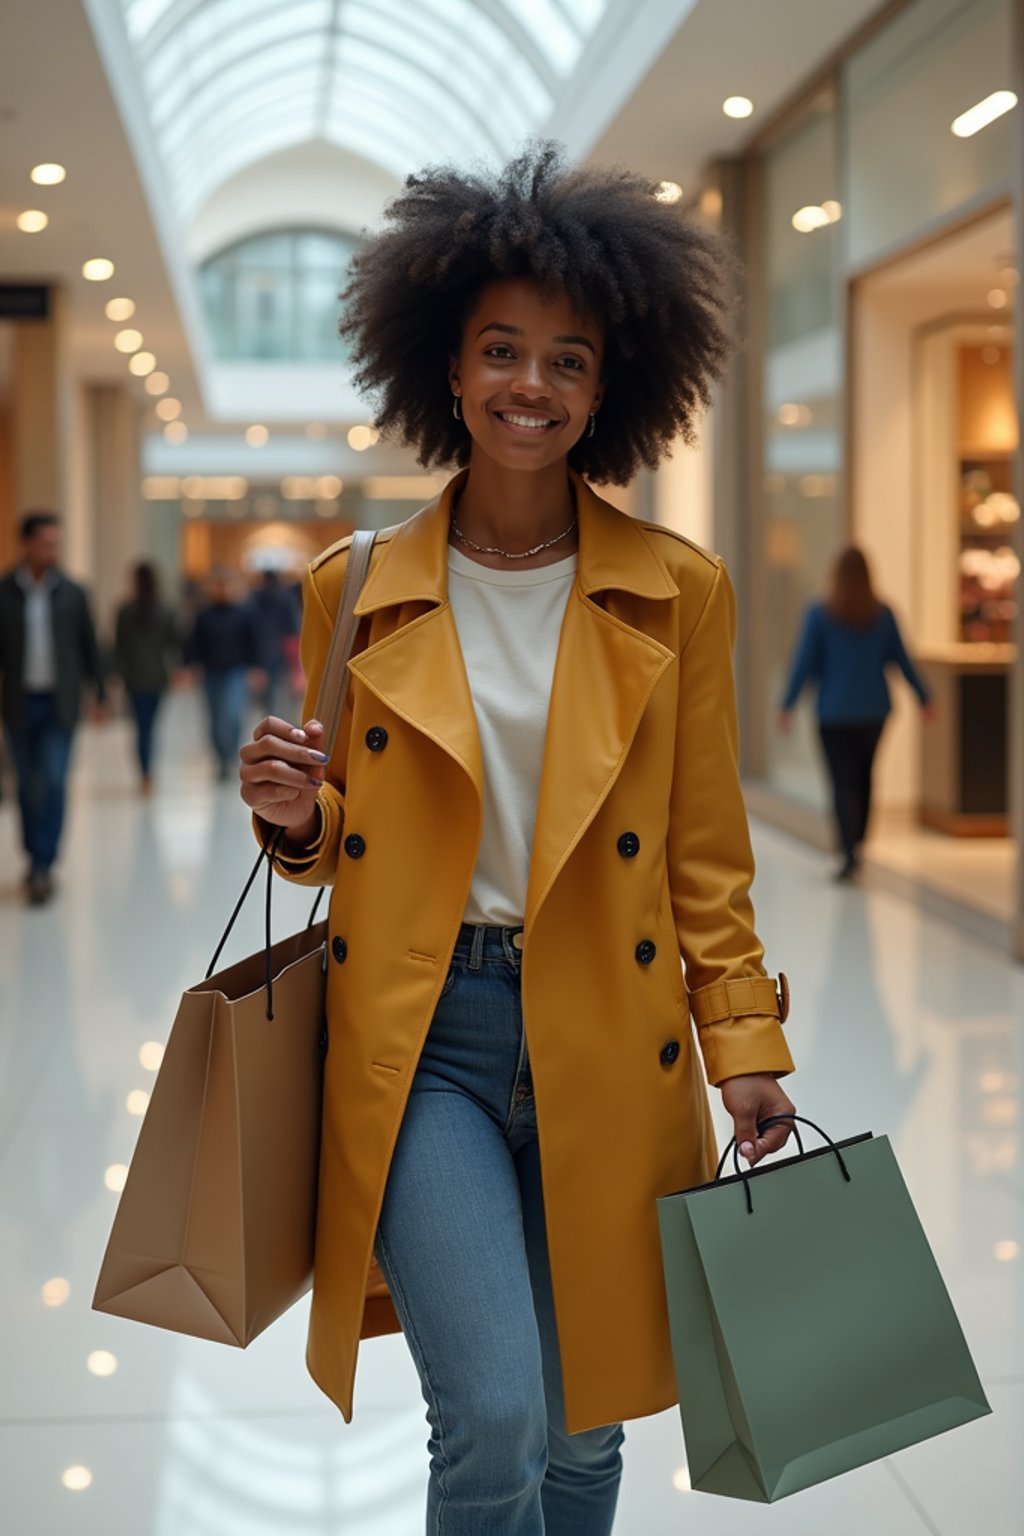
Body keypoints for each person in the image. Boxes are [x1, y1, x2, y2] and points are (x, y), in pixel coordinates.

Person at [238, 145, 796, 1536]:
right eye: (501, 351)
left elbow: (706, 859)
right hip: (424, 1039)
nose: (529, 386)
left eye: (567, 360)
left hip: (607, 1035)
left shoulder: (682, 594)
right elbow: (343, 847)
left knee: (587, 1429)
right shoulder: (353, 591)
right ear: (445, 366)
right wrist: (297, 819)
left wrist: (745, 1051)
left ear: (611, 391)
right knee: (492, 1413)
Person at [779, 545, 934, 881]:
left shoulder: (820, 613)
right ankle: (859, 843)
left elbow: (805, 663)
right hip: (874, 711)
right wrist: (925, 697)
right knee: (865, 778)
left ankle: (848, 850)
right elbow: (902, 660)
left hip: (833, 712)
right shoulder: (882, 613)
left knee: (841, 782)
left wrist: (787, 704)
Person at [0, 511, 107, 903]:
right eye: (45, 544)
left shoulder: (73, 593)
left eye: (56, 544)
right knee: (27, 786)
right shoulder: (6, 592)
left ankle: (43, 865)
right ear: (26, 544)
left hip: (60, 705)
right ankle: (33, 857)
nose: (52, 551)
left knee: (55, 780)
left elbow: (89, 645)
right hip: (19, 704)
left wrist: (101, 693)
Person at [187, 568, 261, 781]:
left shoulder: (244, 613)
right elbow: (194, 643)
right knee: (214, 717)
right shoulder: (204, 615)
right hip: (210, 672)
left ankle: (230, 755)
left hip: (235, 672)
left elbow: (254, 641)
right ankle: (220, 757)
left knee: (231, 715)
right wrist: (190, 666)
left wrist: (256, 667)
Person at [114, 561, 180, 794]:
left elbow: (118, 647)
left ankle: (145, 772)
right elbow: (175, 643)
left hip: (134, 678)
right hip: (157, 677)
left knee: (141, 727)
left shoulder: (125, 611)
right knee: (151, 727)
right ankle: (148, 771)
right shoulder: (165, 610)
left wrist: (116, 675)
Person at [247, 568, 300, 718]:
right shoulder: (285, 598)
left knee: (267, 693)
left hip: (261, 650)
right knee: (281, 691)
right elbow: (291, 629)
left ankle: (269, 718)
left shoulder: (254, 598)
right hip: (281, 650)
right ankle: (280, 721)